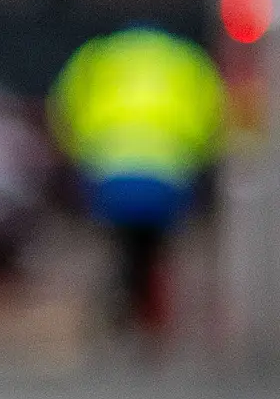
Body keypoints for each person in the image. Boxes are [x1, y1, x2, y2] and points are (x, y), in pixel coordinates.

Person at [48, 21, 226, 342]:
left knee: (121, 247)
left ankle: (121, 308)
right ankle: (151, 318)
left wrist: (82, 157)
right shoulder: (185, 60)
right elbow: (215, 116)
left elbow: (63, 111)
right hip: (169, 174)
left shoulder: (97, 57)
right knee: (155, 250)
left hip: (110, 172)